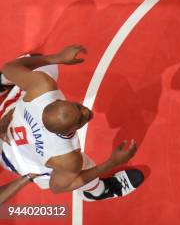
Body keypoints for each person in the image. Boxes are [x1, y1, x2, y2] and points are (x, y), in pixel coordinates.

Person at [0, 47, 144, 200]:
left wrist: (58, 57)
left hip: (6, 129)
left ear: (58, 101)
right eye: (80, 120)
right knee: (83, 168)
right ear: (67, 132)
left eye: (78, 107)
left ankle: (2, 83)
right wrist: (111, 162)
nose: (87, 112)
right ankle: (97, 192)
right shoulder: (66, 157)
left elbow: (9, 68)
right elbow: (58, 187)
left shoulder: (42, 85)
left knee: (45, 65)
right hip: (20, 162)